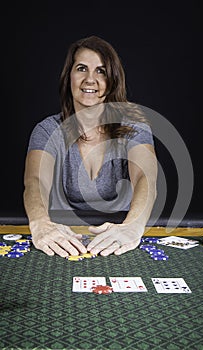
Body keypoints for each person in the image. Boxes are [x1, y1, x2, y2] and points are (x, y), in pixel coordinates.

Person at [23, 35, 158, 258]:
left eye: (101, 71)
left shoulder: (134, 126)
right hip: (63, 239)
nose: (90, 79)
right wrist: (40, 223)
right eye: (82, 68)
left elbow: (146, 178)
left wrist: (133, 226)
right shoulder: (47, 129)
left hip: (120, 236)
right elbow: (35, 181)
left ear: (112, 80)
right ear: (69, 77)